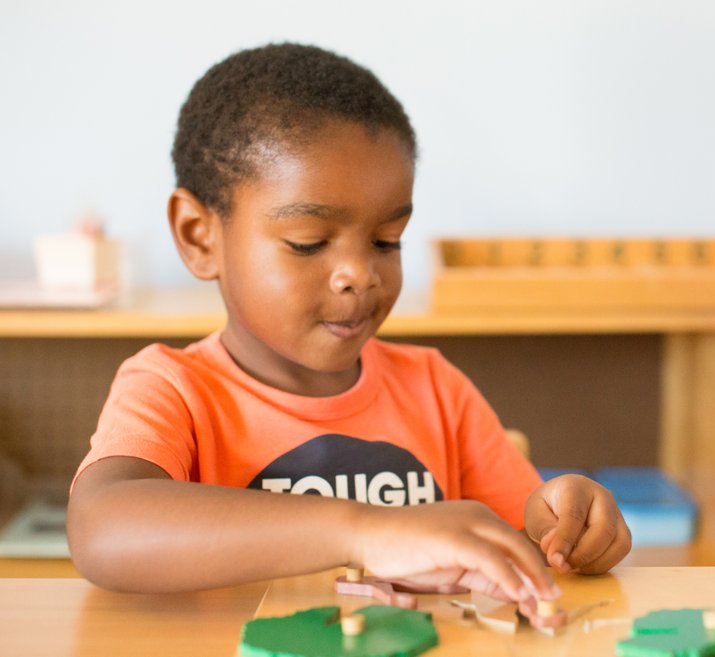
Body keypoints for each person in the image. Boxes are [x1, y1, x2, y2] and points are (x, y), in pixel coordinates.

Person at [67, 43, 630, 598]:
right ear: (199, 236)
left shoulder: (436, 390)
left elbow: (516, 547)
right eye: (308, 242)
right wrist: (366, 532)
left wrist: (561, 524)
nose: (360, 274)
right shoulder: (172, 390)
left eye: (387, 240)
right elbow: (102, 528)